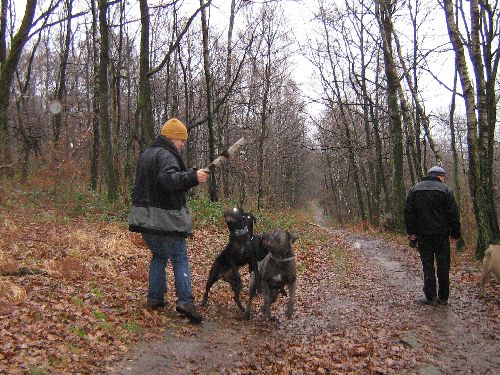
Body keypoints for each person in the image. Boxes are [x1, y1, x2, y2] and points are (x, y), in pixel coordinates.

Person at [129, 117, 209, 323]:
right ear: (173, 138)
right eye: (181, 140)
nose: (183, 144)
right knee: (180, 256)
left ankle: (155, 298)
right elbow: (168, 180)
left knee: (159, 255)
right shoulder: (167, 156)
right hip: (165, 218)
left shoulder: (147, 154)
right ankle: (185, 301)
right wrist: (192, 177)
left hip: (144, 217)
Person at [404, 165, 461, 305]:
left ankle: (430, 296)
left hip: (423, 234)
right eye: (443, 176)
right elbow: (453, 215)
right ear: (439, 176)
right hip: (441, 234)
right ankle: (443, 297)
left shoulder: (415, 189)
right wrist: (455, 233)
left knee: (427, 264)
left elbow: (409, 213)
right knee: (443, 265)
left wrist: (411, 232)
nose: (444, 179)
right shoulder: (446, 190)